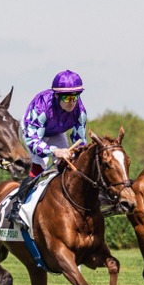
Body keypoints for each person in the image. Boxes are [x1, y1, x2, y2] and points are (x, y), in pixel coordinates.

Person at [6, 70, 88, 221]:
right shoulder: (41, 106)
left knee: (67, 164)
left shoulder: (80, 111)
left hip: (56, 132)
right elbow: (33, 142)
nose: (72, 102)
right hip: (33, 132)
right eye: (67, 97)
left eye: (75, 96)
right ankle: (16, 207)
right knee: (39, 165)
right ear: (57, 96)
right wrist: (55, 151)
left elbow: (80, 141)